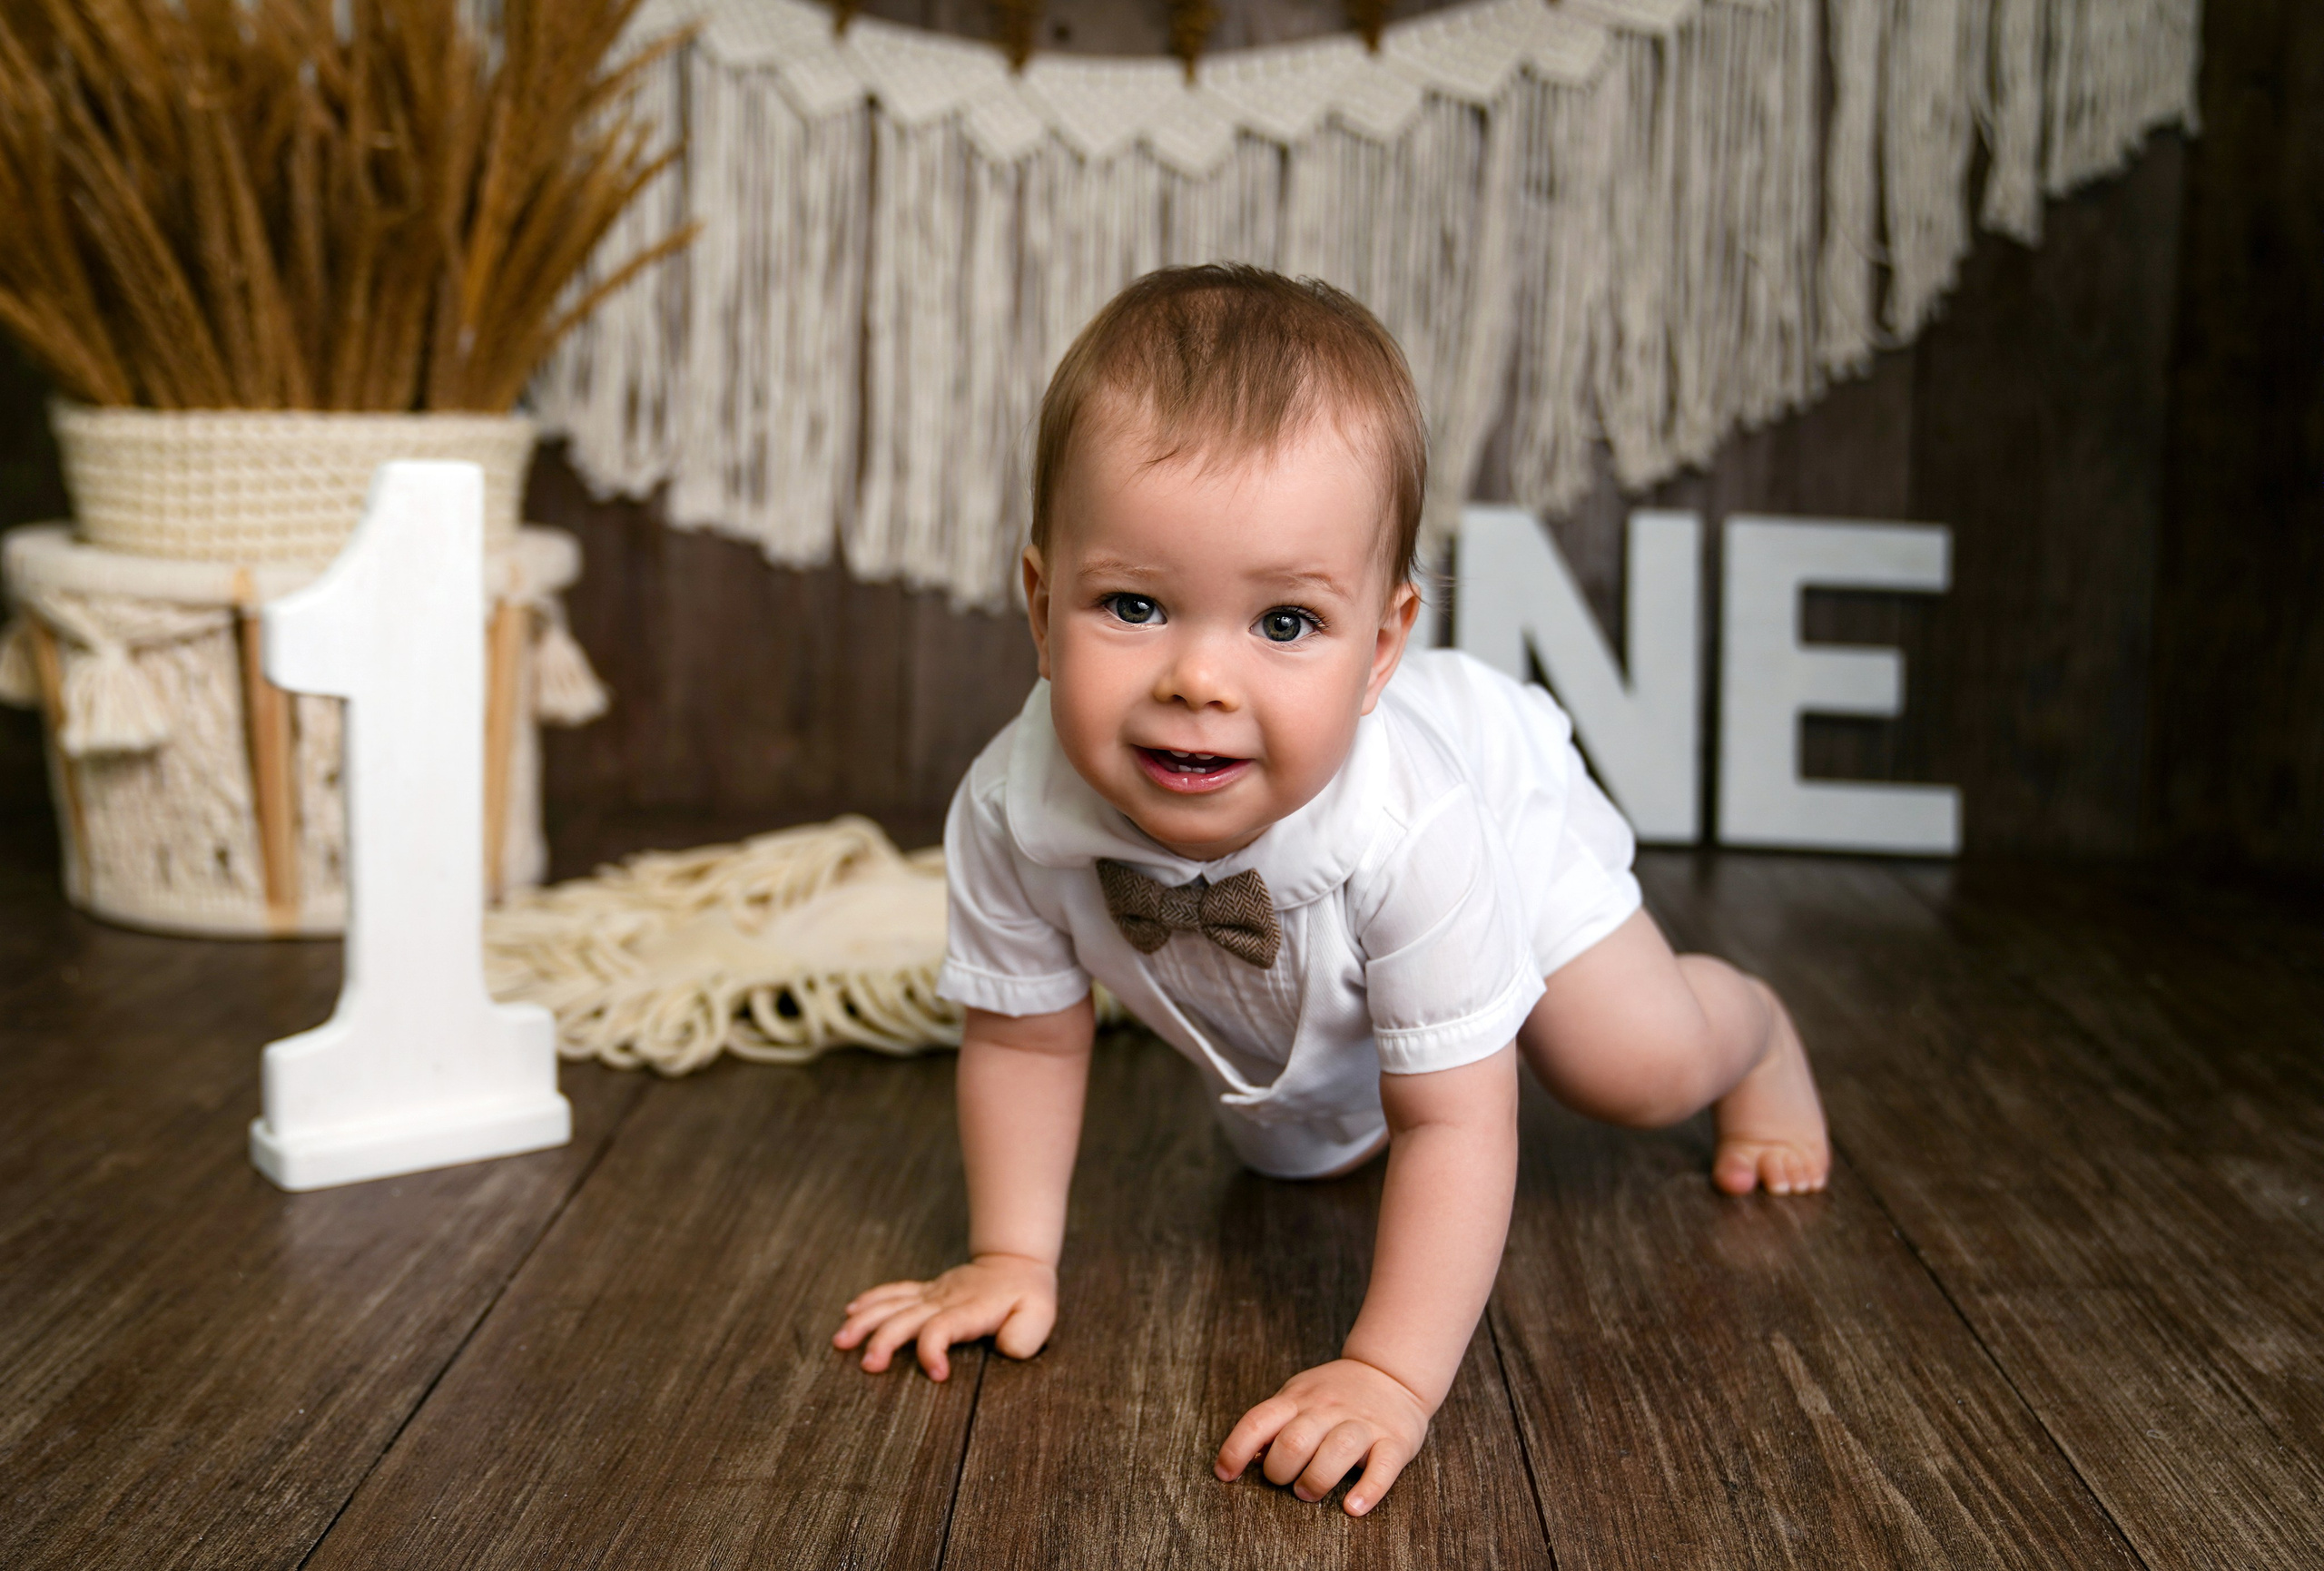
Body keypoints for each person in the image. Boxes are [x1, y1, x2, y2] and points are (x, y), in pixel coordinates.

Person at [832, 263, 1829, 1517]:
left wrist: (1386, 1377)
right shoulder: (1011, 807)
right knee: (1297, 1153)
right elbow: (1027, 1041)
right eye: (1134, 605)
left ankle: (1754, 1032)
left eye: (1287, 624)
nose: (1200, 678)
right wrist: (1010, 1254)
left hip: (1503, 823)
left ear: (1383, 645)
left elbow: (1457, 1121)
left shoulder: (1421, 826)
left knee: (1623, 1061)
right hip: (1284, 980)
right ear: (1040, 606)